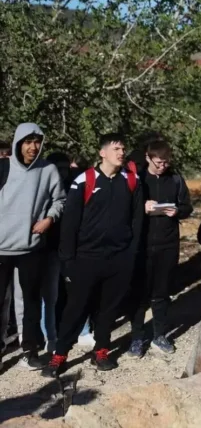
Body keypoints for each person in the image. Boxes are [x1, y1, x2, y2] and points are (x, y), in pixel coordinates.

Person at [45, 134, 144, 377]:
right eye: (115, 148)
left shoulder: (132, 181)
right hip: (85, 259)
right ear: (102, 153)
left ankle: (101, 350)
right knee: (76, 308)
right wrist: (68, 260)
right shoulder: (83, 180)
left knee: (107, 309)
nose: (121, 152)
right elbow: (70, 223)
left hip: (119, 258)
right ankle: (60, 354)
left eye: (123, 147)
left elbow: (137, 221)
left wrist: (131, 254)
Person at [0, 124, 65, 369]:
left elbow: (59, 199)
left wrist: (49, 219)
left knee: (31, 302)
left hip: (31, 247)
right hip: (1, 248)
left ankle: (30, 350)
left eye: (37, 141)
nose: (33, 147)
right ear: (18, 143)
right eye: (28, 141)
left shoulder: (47, 170)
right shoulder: (3, 167)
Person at [128, 139, 192, 357]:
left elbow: (187, 206)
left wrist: (178, 211)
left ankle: (159, 335)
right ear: (147, 158)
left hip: (168, 243)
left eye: (165, 162)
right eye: (157, 163)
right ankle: (137, 337)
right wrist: (141, 208)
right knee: (138, 294)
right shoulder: (138, 180)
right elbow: (125, 209)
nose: (162, 166)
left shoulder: (175, 179)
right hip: (142, 245)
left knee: (162, 293)